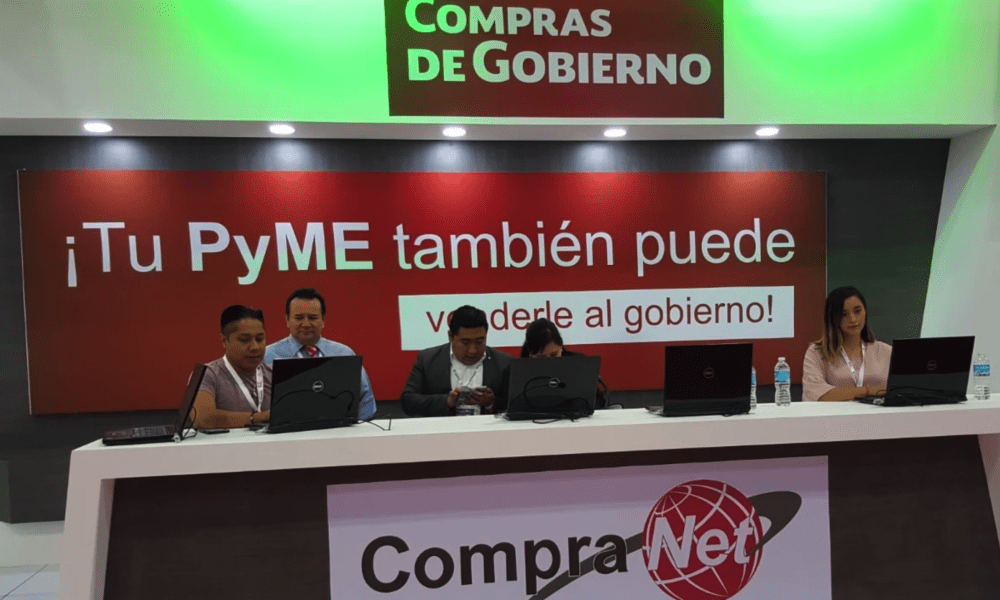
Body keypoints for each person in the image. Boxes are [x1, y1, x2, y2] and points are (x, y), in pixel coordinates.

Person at [264, 288, 376, 420]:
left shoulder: (344, 354)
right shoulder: (267, 356)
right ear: (287, 319)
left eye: (312, 318)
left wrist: (356, 427)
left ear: (323, 320)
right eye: (299, 318)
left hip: (338, 430)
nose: (306, 324)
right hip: (286, 431)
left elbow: (365, 399)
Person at [401, 305, 513, 416]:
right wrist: (447, 401)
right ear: (450, 336)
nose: (473, 350)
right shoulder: (428, 360)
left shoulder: (504, 363)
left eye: (479, 342)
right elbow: (408, 401)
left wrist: (491, 403)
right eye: (465, 343)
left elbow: (516, 405)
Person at [803, 286, 892, 402]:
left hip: (881, 413)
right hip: (834, 414)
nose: (853, 319)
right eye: (844, 314)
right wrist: (868, 391)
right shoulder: (817, 352)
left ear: (865, 311)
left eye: (857, 311)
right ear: (833, 318)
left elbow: (905, 390)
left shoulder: (886, 351)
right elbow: (818, 395)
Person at [193, 305, 272, 428]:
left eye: (259, 339)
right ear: (225, 341)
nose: (255, 347)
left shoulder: (274, 374)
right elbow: (203, 418)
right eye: (244, 340)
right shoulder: (208, 374)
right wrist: (258, 418)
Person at [503, 318, 608, 408]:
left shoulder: (578, 364)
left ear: (561, 347)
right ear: (530, 353)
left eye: (554, 355)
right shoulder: (515, 372)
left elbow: (598, 401)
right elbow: (504, 404)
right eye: (541, 357)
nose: (549, 361)